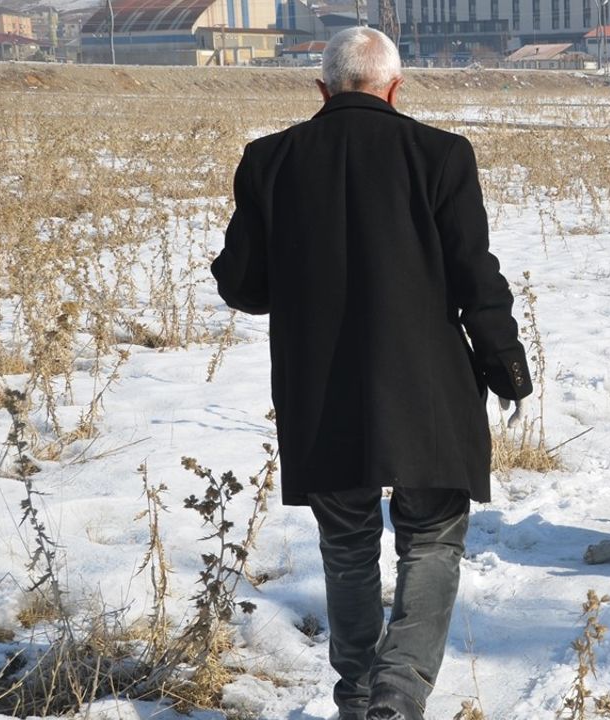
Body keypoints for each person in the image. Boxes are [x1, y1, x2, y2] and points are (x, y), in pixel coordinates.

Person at [211, 27, 532, 720]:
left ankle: (359, 695)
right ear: (395, 87)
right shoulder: (442, 155)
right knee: (433, 541)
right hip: (428, 386)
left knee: (348, 543)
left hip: (322, 388)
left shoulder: (269, 161)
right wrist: (506, 362)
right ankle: (399, 691)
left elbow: (243, 285)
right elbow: (475, 273)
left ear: (322, 90)